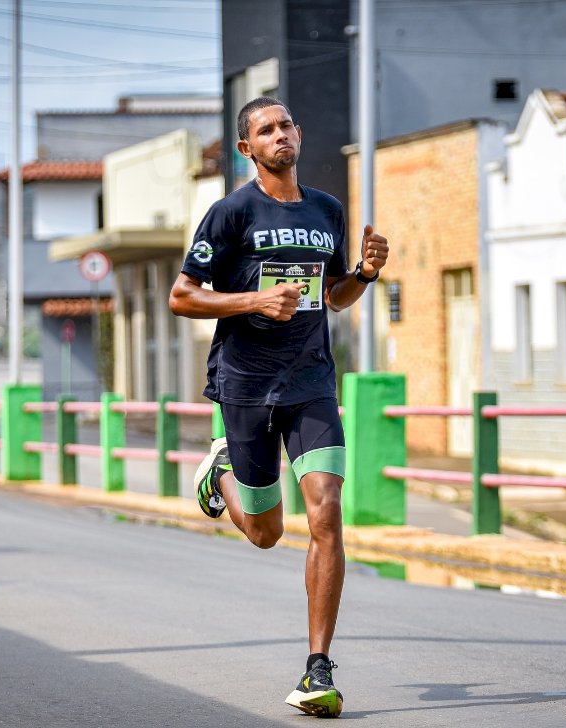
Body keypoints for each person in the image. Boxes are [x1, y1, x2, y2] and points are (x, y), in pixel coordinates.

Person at [169, 96, 389, 718]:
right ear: (248, 149)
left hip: (311, 382)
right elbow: (182, 297)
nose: (280, 135)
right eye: (266, 130)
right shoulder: (231, 212)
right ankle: (222, 474)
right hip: (243, 384)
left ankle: (318, 667)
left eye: (287, 124)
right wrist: (254, 303)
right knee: (267, 534)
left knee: (326, 514)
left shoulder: (327, 210)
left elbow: (333, 299)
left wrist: (365, 275)